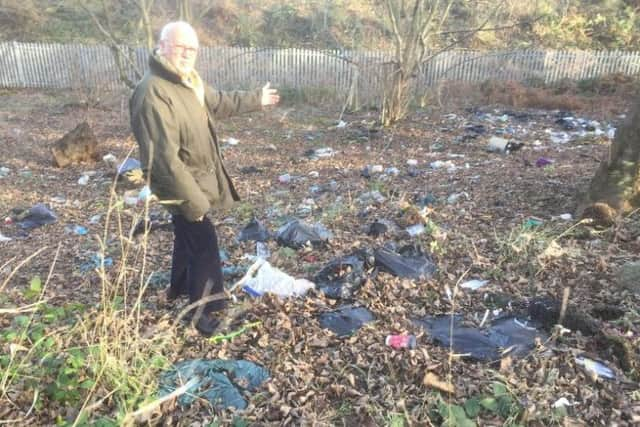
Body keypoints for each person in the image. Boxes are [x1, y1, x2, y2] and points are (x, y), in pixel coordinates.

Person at [130, 21, 280, 336]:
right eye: (180, 47)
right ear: (162, 45)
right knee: (204, 244)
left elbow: (218, 101)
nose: (187, 54)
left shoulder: (188, 82)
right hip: (181, 185)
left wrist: (258, 99)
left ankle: (178, 289)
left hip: (193, 180)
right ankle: (204, 313)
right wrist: (194, 202)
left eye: (192, 49)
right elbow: (162, 160)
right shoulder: (153, 92)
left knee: (186, 238)